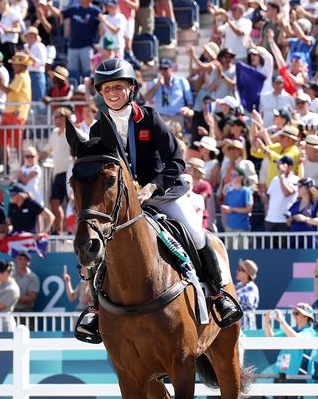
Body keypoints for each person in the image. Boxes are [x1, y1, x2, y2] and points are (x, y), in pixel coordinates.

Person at [73, 59, 242, 343]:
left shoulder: (150, 118)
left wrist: (151, 188)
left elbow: (176, 161)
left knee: (196, 233)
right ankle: (95, 309)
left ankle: (218, 295)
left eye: (118, 86)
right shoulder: (97, 130)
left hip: (163, 194)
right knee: (98, 242)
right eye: (106, 89)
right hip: (124, 205)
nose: (112, 93)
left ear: (131, 89)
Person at [262, 303, 317, 399]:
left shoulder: (309, 332)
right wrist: (266, 322)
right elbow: (271, 339)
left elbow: (297, 339)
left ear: (306, 316)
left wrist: (281, 321)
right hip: (282, 374)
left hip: (298, 375)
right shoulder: (292, 330)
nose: (294, 315)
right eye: (293, 313)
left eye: (296, 313)